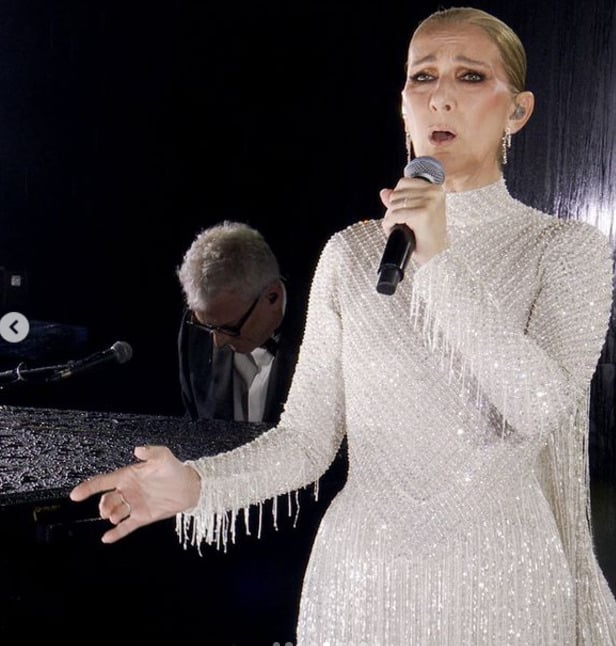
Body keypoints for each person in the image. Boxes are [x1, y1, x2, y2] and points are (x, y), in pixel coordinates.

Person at [70, 7, 616, 644]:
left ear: (516, 111)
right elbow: (306, 439)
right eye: (422, 77)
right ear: (403, 104)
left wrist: (437, 259)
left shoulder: (565, 250)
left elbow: (541, 406)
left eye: (470, 77)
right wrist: (195, 486)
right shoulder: (352, 253)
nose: (440, 95)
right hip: (360, 585)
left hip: (503, 586)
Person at [176, 220, 306, 424]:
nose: (217, 342)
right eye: (208, 326)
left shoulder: (326, 333)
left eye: (229, 327)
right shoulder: (197, 329)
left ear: (273, 297)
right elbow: (196, 426)